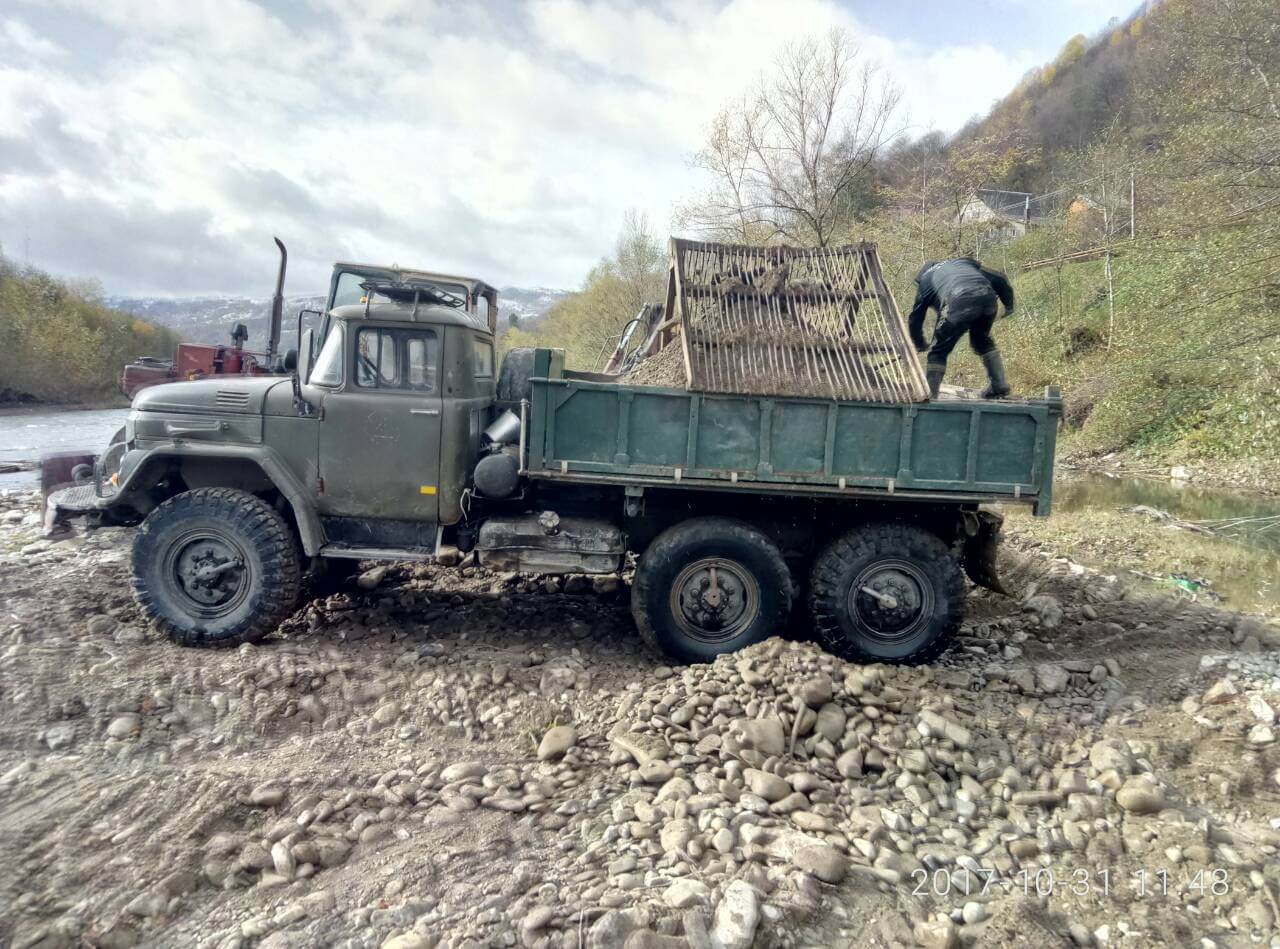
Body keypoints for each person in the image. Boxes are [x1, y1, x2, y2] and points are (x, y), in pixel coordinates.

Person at [907, 257, 1015, 399]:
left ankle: (930, 396)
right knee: (982, 341)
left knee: (938, 351)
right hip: (987, 299)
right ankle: (999, 385)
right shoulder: (961, 263)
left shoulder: (926, 280)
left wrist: (919, 343)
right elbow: (1000, 278)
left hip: (957, 299)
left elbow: (916, 317)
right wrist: (1009, 305)